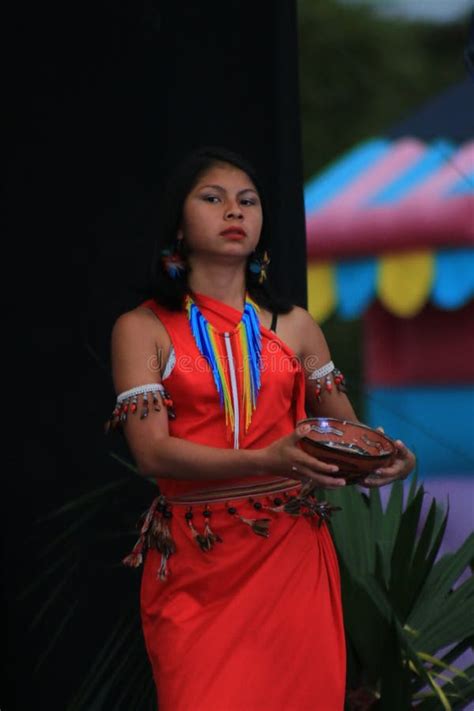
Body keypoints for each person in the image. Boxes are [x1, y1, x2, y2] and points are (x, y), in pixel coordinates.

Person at [108, 146, 415, 711]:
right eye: (213, 198)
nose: (235, 211)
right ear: (178, 222)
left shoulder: (295, 325)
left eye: (247, 202)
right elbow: (152, 454)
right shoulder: (142, 328)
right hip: (196, 558)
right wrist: (269, 459)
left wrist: (383, 459)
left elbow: (343, 433)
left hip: (289, 552)